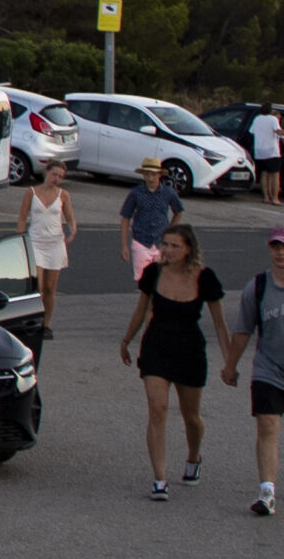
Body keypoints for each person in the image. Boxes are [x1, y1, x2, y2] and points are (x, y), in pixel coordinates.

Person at [120, 221, 234, 500]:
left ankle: (194, 457)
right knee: (158, 410)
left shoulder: (205, 278)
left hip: (190, 351)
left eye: (175, 246)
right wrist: (126, 341)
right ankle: (160, 480)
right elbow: (140, 310)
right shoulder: (153, 273)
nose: (168, 250)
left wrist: (230, 362)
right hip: (156, 346)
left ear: (188, 249)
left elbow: (220, 324)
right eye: (165, 244)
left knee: (191, 417)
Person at [222, 227, 284, 515]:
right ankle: (267, 492)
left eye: (283, 247)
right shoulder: (257, 287)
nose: (280, 252)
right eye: (275, 246)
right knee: (267, 426)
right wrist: (231, 366)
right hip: (268, 369)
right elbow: (244, 330)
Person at [18, 159, 77, 332]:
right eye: (54, 174)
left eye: (60, 176)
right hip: (36, 241)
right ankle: (31, 319)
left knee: (51, 287)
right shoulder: (31, 192)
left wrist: (72, 229)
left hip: (55, 243)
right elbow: (22, 218)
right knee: (38, 286)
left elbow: (70, 218)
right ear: (46, 172)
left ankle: (45, 324)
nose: (56, 179)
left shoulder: (63, 195)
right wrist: (20, 240)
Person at [120, 159, 184, 282]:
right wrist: (124, 246)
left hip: (161, 243)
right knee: (144, 281)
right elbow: (125, 217)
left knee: (162, 280)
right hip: (141, 241)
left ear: (160, 175)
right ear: (143, 175)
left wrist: (170, 230)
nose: (150, 178)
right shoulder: (136, 193)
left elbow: (179, 211)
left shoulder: (168, 192)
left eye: (154, 175)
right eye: (147, 174)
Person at [253, 103, 282, 207]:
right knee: (275, 175)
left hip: (259, 151)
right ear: (270, 110)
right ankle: (275, 198)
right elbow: (278, 131)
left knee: (264, 174)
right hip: (271, 150)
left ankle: (266, 197)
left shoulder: (257, 119)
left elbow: (251, 131)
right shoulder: (273, 119)